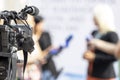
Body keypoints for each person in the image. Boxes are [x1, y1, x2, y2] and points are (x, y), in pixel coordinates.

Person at [83, 4, 119, 80]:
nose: (93, 19)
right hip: (91, 73)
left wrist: (95, 57)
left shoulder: (112, 34)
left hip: (105, 75)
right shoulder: (94, 33)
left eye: (95, 16)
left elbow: (115, 56)